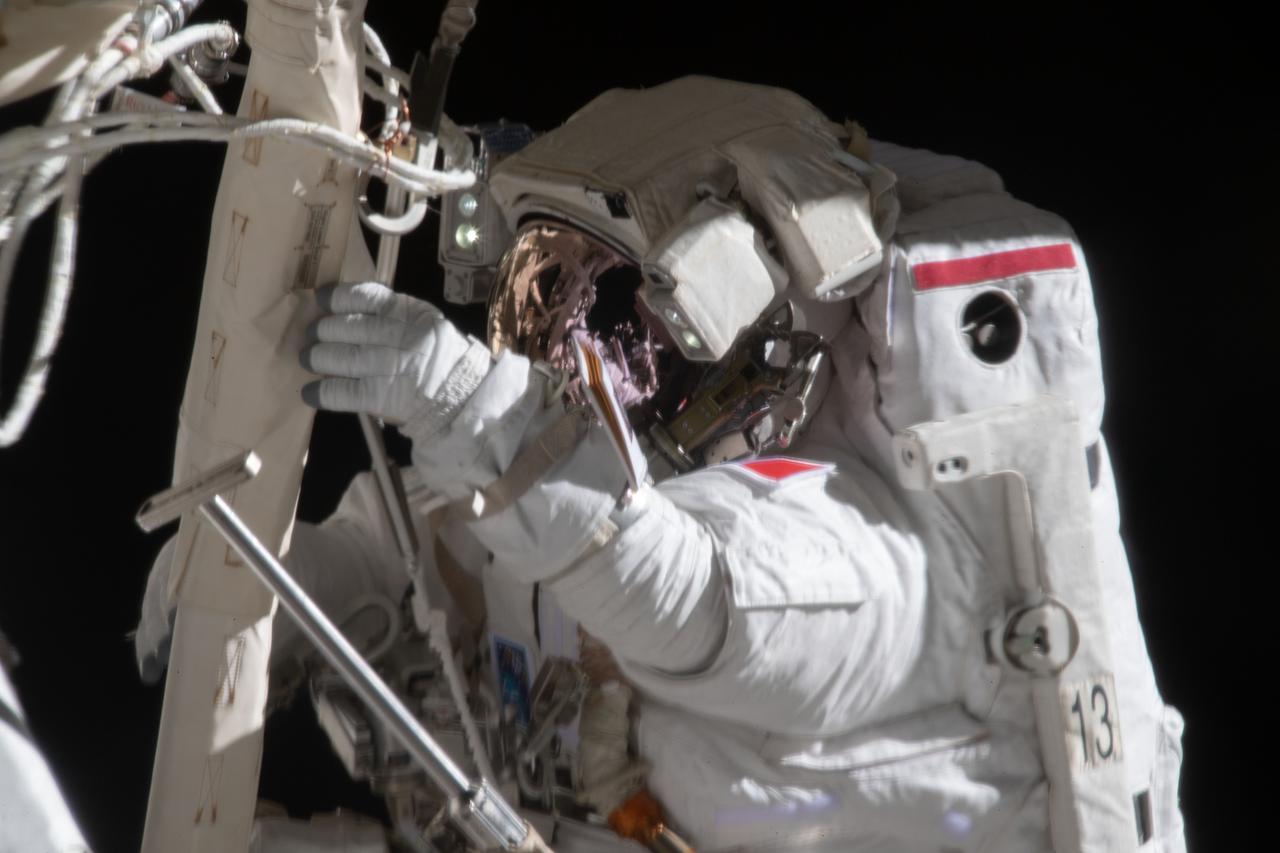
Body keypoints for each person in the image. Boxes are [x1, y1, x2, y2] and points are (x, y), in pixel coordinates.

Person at [138, 76, 1185, 851]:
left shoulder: (867, 566)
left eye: (624, 323)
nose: (570, 363)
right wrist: (291, 582)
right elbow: (411, 542)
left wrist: (468, 402)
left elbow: (682, 593)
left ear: (759, 362)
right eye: (543, 292)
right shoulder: (535, 481)